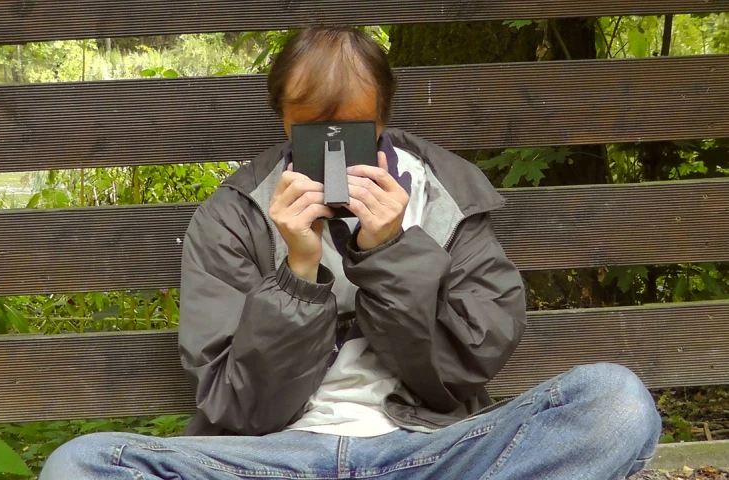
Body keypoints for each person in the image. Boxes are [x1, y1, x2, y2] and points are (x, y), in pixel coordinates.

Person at [41, 26, 661, 480]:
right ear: (282, 120)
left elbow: (458, 375)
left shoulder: (446, 201)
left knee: (616, 403)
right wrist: (298, 274)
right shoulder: (232, 216)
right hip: (274, 459)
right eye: (310, 132)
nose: (333, 154)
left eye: (352, 132)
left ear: (383, 118)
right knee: (80, 466)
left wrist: (389, 251)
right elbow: (238, 409)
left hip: (430, 452)